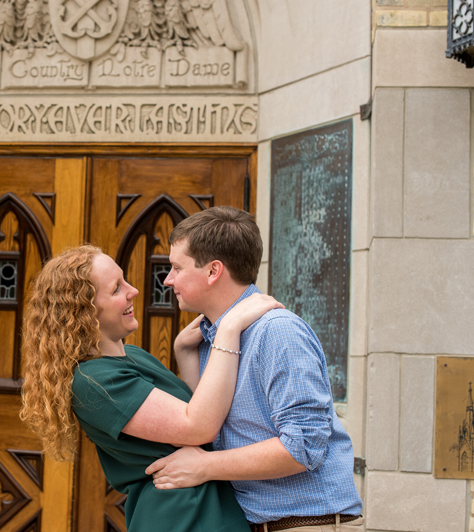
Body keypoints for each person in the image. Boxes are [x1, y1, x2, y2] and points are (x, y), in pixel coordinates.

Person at [20, 245, 282, 532]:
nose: (133, 290)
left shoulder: (134, 356)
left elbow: (202, 410)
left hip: (205, 507)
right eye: (117, 289)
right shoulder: (92, 382)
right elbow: (200, 428)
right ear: (86, 310)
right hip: (179, 515)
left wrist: (183, 351)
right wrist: (229, 329)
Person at [146, 206, 363, 532]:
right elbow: (207, 429)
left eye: (177, 267)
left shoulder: (277, 331)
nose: (168, 279)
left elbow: (302, 447)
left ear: (213, 271)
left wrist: (205, 467)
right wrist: (184, 352)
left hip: (306, 524)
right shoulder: (208, 338)